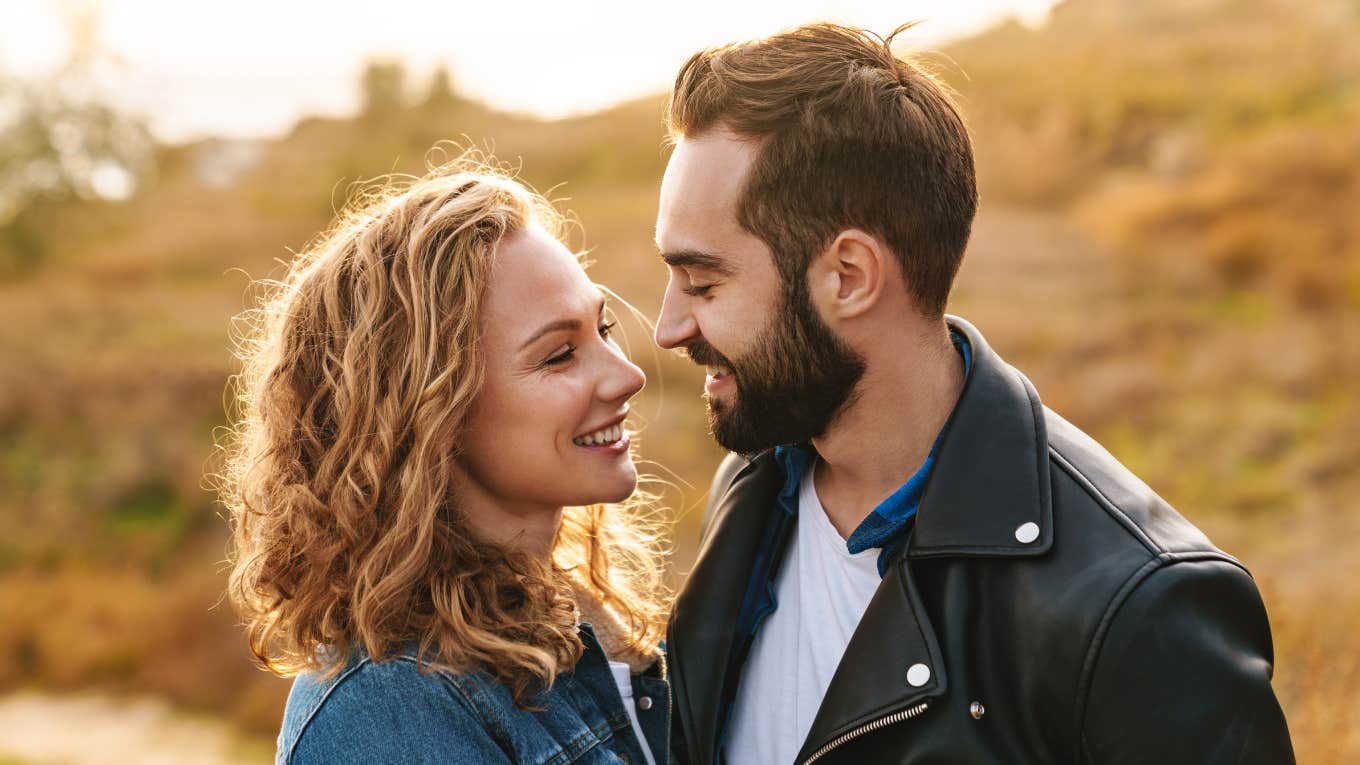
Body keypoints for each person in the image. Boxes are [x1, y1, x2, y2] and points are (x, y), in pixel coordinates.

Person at [654, 22, 1294, 765]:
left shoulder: (1134, 610)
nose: (669, 326)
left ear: (850, 276)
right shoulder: (756, 480)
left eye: (703, 282)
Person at [219, 158, 671, 764]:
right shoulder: (386, 714)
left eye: (604, 328)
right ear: (431, 411)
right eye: (560, 355)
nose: (628, 375)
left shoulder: (588, 638)